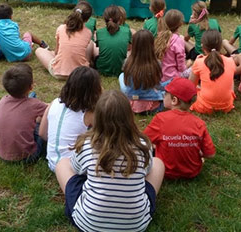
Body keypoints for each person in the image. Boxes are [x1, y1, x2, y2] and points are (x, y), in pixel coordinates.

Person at [55, 89, 165, 232]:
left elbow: (75, 169)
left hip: (88, 223)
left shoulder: (87, 145)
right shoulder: (143, 146)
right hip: (135, 225)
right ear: (129, 117)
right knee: (158, 163)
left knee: (62, 163)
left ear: (97, 117)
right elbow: (148, 170)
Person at [144, 77, 216, 178]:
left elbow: (143, 141)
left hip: (164, 171)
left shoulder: (160, 119)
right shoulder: (199, 123)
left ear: (174, 100)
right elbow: (210, 154)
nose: (163, 96)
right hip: (192, 172)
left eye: (165, 94)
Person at [42, 66, 102, 171]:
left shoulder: (54, 102)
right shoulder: (91, 114)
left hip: (52, 161)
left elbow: (42, 134)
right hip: (72, 167)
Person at [0, 64, 48, 163]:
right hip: (27, 156)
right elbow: (52, 110)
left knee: (32, 98)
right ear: (31, 86)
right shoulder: (34, 105)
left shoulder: (3, 100)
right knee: (42, 125)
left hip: (2, 154)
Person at [35, 7, 96, 79]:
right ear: (88, 19)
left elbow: (56, 52)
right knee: (91, 43)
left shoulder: (61, 28)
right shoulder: (88, 32)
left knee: (39, 50)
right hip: (80, 74)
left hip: (59, 72)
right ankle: (84, 64)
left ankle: (64, 61)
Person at [190, 29, 236, 113]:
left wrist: (195, 65)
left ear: (202, 46)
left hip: (204, 106)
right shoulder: (230, 61)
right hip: (227, 106)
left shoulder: (199, 62)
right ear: (221, 45)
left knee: (197, 87)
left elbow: (191, 85)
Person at [120, 29, 164, 113]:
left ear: (134, 45)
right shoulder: (156, 64)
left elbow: (127, 81)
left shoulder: (127, 62)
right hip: (152, 105)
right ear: (151, 45)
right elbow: (157, 85)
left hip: (132, 103)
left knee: (121, 76)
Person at [93, 5, 132, 77]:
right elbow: (129, 48)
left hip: (102, 69)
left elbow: (99, 48)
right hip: (121, 69)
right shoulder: (127, 31)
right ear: (119, 18)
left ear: (104, 18)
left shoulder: (99, 32)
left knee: (92, 47)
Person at [154, 9, 188, 82]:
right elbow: (181, 67)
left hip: (160, 77)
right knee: (193, 68)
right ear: (180, 24)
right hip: (173, 79)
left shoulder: (160, 36)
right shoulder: (178, 41)